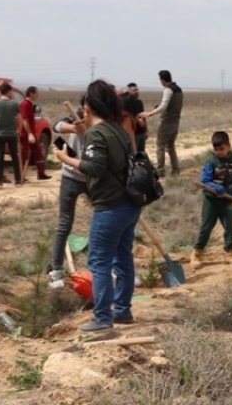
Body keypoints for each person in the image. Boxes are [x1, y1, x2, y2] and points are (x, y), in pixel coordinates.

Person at [53, 80, 139, 332]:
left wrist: (65, 158)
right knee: (123, 259)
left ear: (89, 106)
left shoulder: (97, 133)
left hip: (110, 206)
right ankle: (122, 311)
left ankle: (102, 318)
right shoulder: (119, 129)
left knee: (99, 262)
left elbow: (95, 167)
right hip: (129, 204)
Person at [47, 107, 88, 283]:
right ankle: (56, 269)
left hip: (92, 177)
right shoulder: (78, 115)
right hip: (71, 177)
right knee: (64, 222)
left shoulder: (104, 121)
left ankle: (100, 267)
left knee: (104, 220)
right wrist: (73, 128)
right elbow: (56, 125)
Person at [192, 131, 232, 268]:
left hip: (226, 200)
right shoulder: (211, 161)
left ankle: (229, 252)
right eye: (216, 149)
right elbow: (205, 180)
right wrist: (215, 187)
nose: (219, 152)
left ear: (229, 146)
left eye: (222, 149)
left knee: (230, 227)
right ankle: (197, 252)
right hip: (211, 201)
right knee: (206, 227)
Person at [140, 70, 184, 177]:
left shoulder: (168, 90)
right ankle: (176, 170)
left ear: (162, 80)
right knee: (171, 146)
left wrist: (149, 114)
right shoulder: (179, 90)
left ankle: (160, 171)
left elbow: (163, 107)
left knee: (160, 146)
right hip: (176, 122)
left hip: (167, 122)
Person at [0, 82, 24, 187]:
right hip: (12, 134)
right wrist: (19, 130)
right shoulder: (15, 104)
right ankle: (17, 179)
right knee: (15, 157)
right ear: (8, 91)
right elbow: (19, 119)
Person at [19, 86, 50, 181]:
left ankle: (41, 173)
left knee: (38, 153)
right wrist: (29, 134)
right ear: (31, 93)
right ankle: (21, 176)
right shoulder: (24, 104)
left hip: (32, 134)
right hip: (26, 135)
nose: (38, 95)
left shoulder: (30, 104)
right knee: (25, 155)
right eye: (36, 93)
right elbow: (24, 120)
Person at [122, 83, 148, 153]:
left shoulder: (139, 102)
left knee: (141, 154)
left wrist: (146, 130)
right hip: (133, 133)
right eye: (134, 90)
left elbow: (143, 117)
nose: (136, 92)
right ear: (129, 92)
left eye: (137, 90)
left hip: (141, 133)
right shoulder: (126, 103)